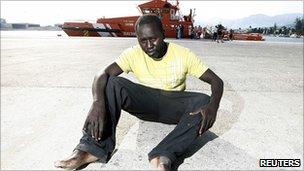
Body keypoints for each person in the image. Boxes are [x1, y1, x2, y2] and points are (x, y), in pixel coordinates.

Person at [54, 14, 223, 171]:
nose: (149, 46)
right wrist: (97, 102)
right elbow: (102, 74)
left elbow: (216, 81)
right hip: (146, 103)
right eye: (143, 41)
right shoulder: (133, 54)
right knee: (111, 82)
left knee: (204, 101)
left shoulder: (183, 54)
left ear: (163, 34)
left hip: (173, 106)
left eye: (153, 39)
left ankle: (163, 156)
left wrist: (213, 106)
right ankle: (92, 149)